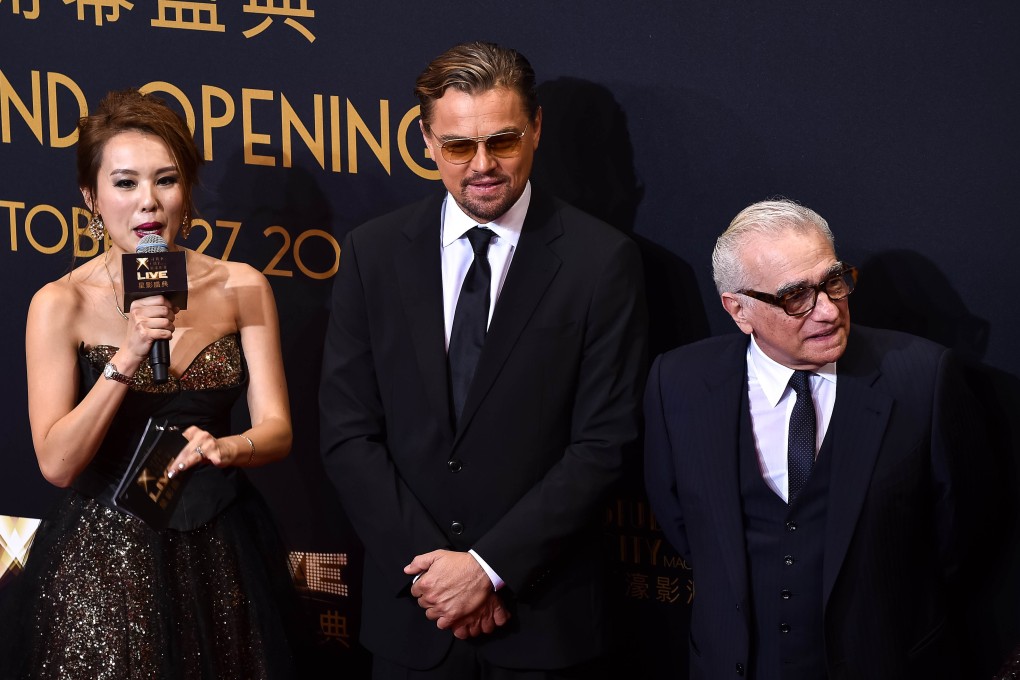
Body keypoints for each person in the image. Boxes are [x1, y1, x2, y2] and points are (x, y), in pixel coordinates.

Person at [319, 41, 647, 679]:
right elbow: (347, 432)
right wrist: (438, 577)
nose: (483, 165)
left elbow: (605, 442)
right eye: (457, 146)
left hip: (543, 620)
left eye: (503, 140)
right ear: (425, 141)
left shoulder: (600, 262)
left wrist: (490, 569)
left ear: (537, 129)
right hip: (414, 618)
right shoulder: (373, 254)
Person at [0, 89, 301, 679]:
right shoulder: (59, 303)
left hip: (224, 548)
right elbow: (57, 463)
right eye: (125, 183)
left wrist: (227, 447)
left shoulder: (242, 285)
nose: (148, 203)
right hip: (105, 560)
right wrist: (131, 354)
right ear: (90, 196)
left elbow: (278, 429)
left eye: (165, 180)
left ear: (186, 190)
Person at [644, 198, 978, 680]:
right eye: (795, 296)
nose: (826, 311)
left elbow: (962, 534)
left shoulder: (923, 378)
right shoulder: (678, 382)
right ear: (739, 309)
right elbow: (681, 522)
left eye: (833, 282)